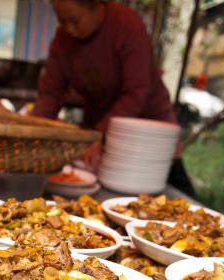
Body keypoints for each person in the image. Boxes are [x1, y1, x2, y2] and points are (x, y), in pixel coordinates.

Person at [32, 0, 194, 194]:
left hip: (149, 129)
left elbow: (136, 92)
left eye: (74, 20)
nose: (68, 28)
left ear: (97, 6)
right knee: (106, 190)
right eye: (61, 20)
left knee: (173, 193)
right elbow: (50, 95)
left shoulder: (126, 25)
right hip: (100, 128)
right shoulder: (62, 40)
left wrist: (99, 134)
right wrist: (32, 135)